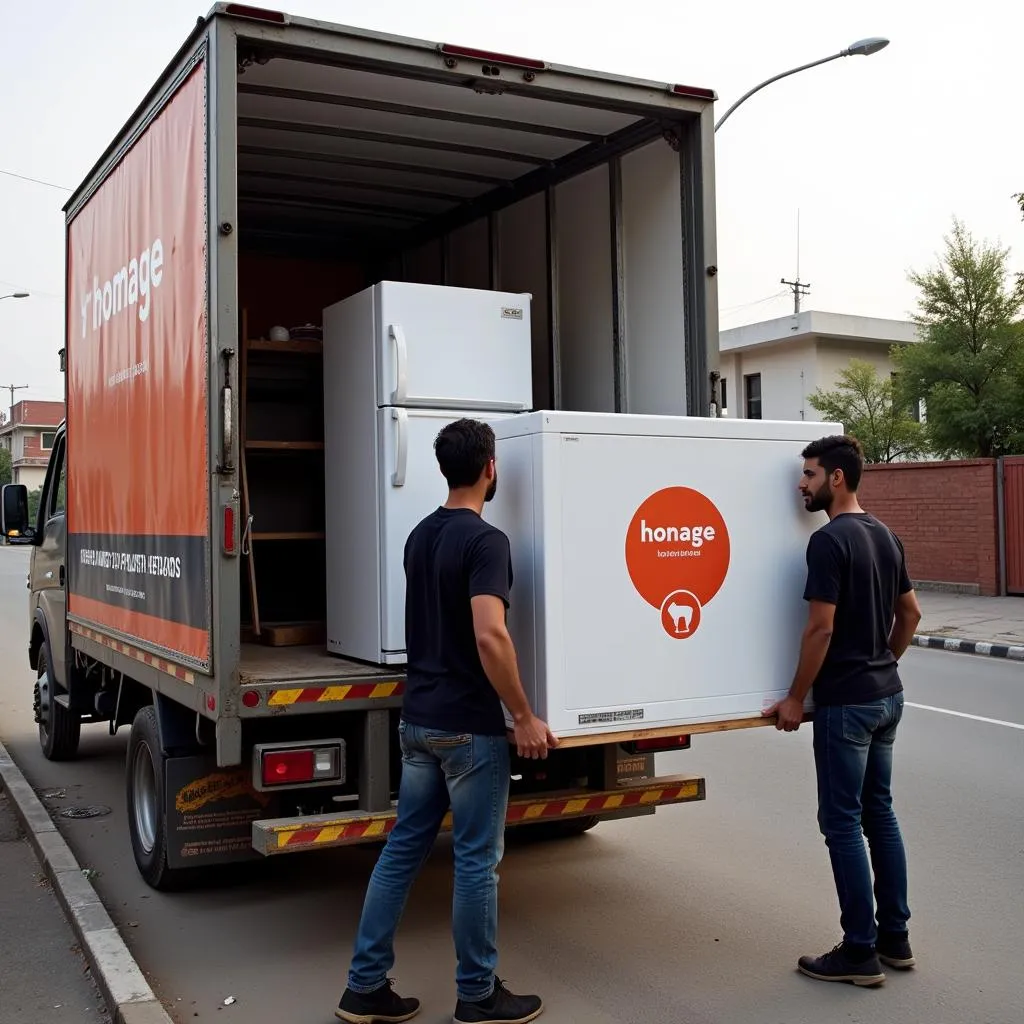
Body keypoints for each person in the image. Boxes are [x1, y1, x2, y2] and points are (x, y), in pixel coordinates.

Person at [336, 417, 557, 1024]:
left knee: (402, 851)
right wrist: (524, 715)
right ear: (491, 468)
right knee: (476, 861)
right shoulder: (487, 542)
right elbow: (490, 634)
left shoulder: (419, 535)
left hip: (419, 722)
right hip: (468, 728)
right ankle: (478, 994)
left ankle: (364, 986)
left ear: (445, 469)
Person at [763, 433, 922, 988]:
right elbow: (911, 615)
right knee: (880, 812)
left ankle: (859, 951)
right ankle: (894, 938)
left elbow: (821, 627)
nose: (800, 484)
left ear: (835, 477)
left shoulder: (830, 542)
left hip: (848, 705)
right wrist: (881, 662)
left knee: (842, 823)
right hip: (887, 696)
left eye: (808, 474)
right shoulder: (886, 534)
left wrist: (793, 696)